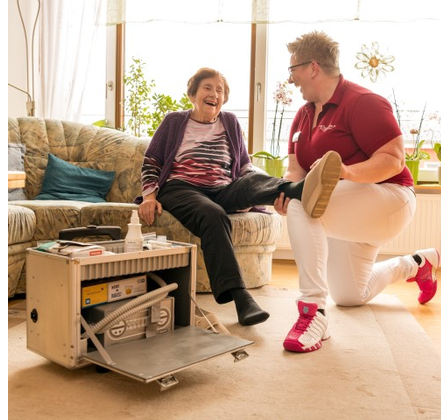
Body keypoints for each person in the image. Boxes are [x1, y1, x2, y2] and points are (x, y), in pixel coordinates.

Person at [273, 31, 440, 352]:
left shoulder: (363, 102)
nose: (291, 79)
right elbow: (296, 170)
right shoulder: (303, 115)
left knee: (303, 203)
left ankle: (313, 313)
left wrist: (346, 174)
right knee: (351, 296)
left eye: (293, 70)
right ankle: (418, 263)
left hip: (388, 200)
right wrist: (285, 188)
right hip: (344, 208)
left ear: (313, 67)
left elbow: (392, 161)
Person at [136, 67, 342, 327]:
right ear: (192, 94)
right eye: (208, 88)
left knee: (251, 179)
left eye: (220, 90)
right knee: (213, 214)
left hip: (222, 188)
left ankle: (298, 191)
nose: (214, 94)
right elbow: (152, 162)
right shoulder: (175, 121)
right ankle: (242, 299)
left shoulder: (230, 122)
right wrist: (149, 196)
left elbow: (244, 167)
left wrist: (262, 193)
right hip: (182, 188)